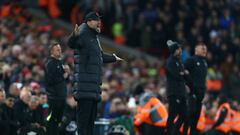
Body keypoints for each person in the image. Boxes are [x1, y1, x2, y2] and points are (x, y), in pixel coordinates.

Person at [67, 11, 123, 135]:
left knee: (90, 124)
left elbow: (100, 56)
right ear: (88, 22)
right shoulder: (82, 33)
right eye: (96, 20)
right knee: (83, 125)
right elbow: (72, 44)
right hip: (85, 88)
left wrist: (113, 58)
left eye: (99, 20)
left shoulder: (93, 36)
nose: (99, 22)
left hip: (92, 88)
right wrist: (74, 36)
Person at [44, 42, 70, 135]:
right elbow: (50, 80)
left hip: (61, 97)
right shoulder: (50, 63)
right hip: (54, 98)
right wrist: (64, 76)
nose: (60, 51)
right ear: (52, 51)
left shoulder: (60, 62)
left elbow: (65, 80)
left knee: (57, 121)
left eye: (60, 49)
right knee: (51, 120)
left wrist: (67, 74)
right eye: (57, 50)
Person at [165, 40, 188, 135]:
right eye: (179, 49)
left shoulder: (179, 61)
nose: (181, 50)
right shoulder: (170, 62)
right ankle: (168, 132)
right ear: (175, 50)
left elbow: (183, 75)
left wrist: (183, 74)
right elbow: (177, 75)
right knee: (172, 115)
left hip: (181, 92)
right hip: (174, 93)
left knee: (184, 115)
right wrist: (183, 74)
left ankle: (174, 132)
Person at [184, 43, 208, 135]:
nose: (205, 50)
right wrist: (187, 85)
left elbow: (203, 79)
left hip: (200, 93)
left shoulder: (205, 62)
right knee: (190, 114)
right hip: (192, 92)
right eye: (202, 48)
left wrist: (204, 91)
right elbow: (183, 71)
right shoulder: (191, 60)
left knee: (196, 117)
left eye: (205, 49)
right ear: (196, 49)